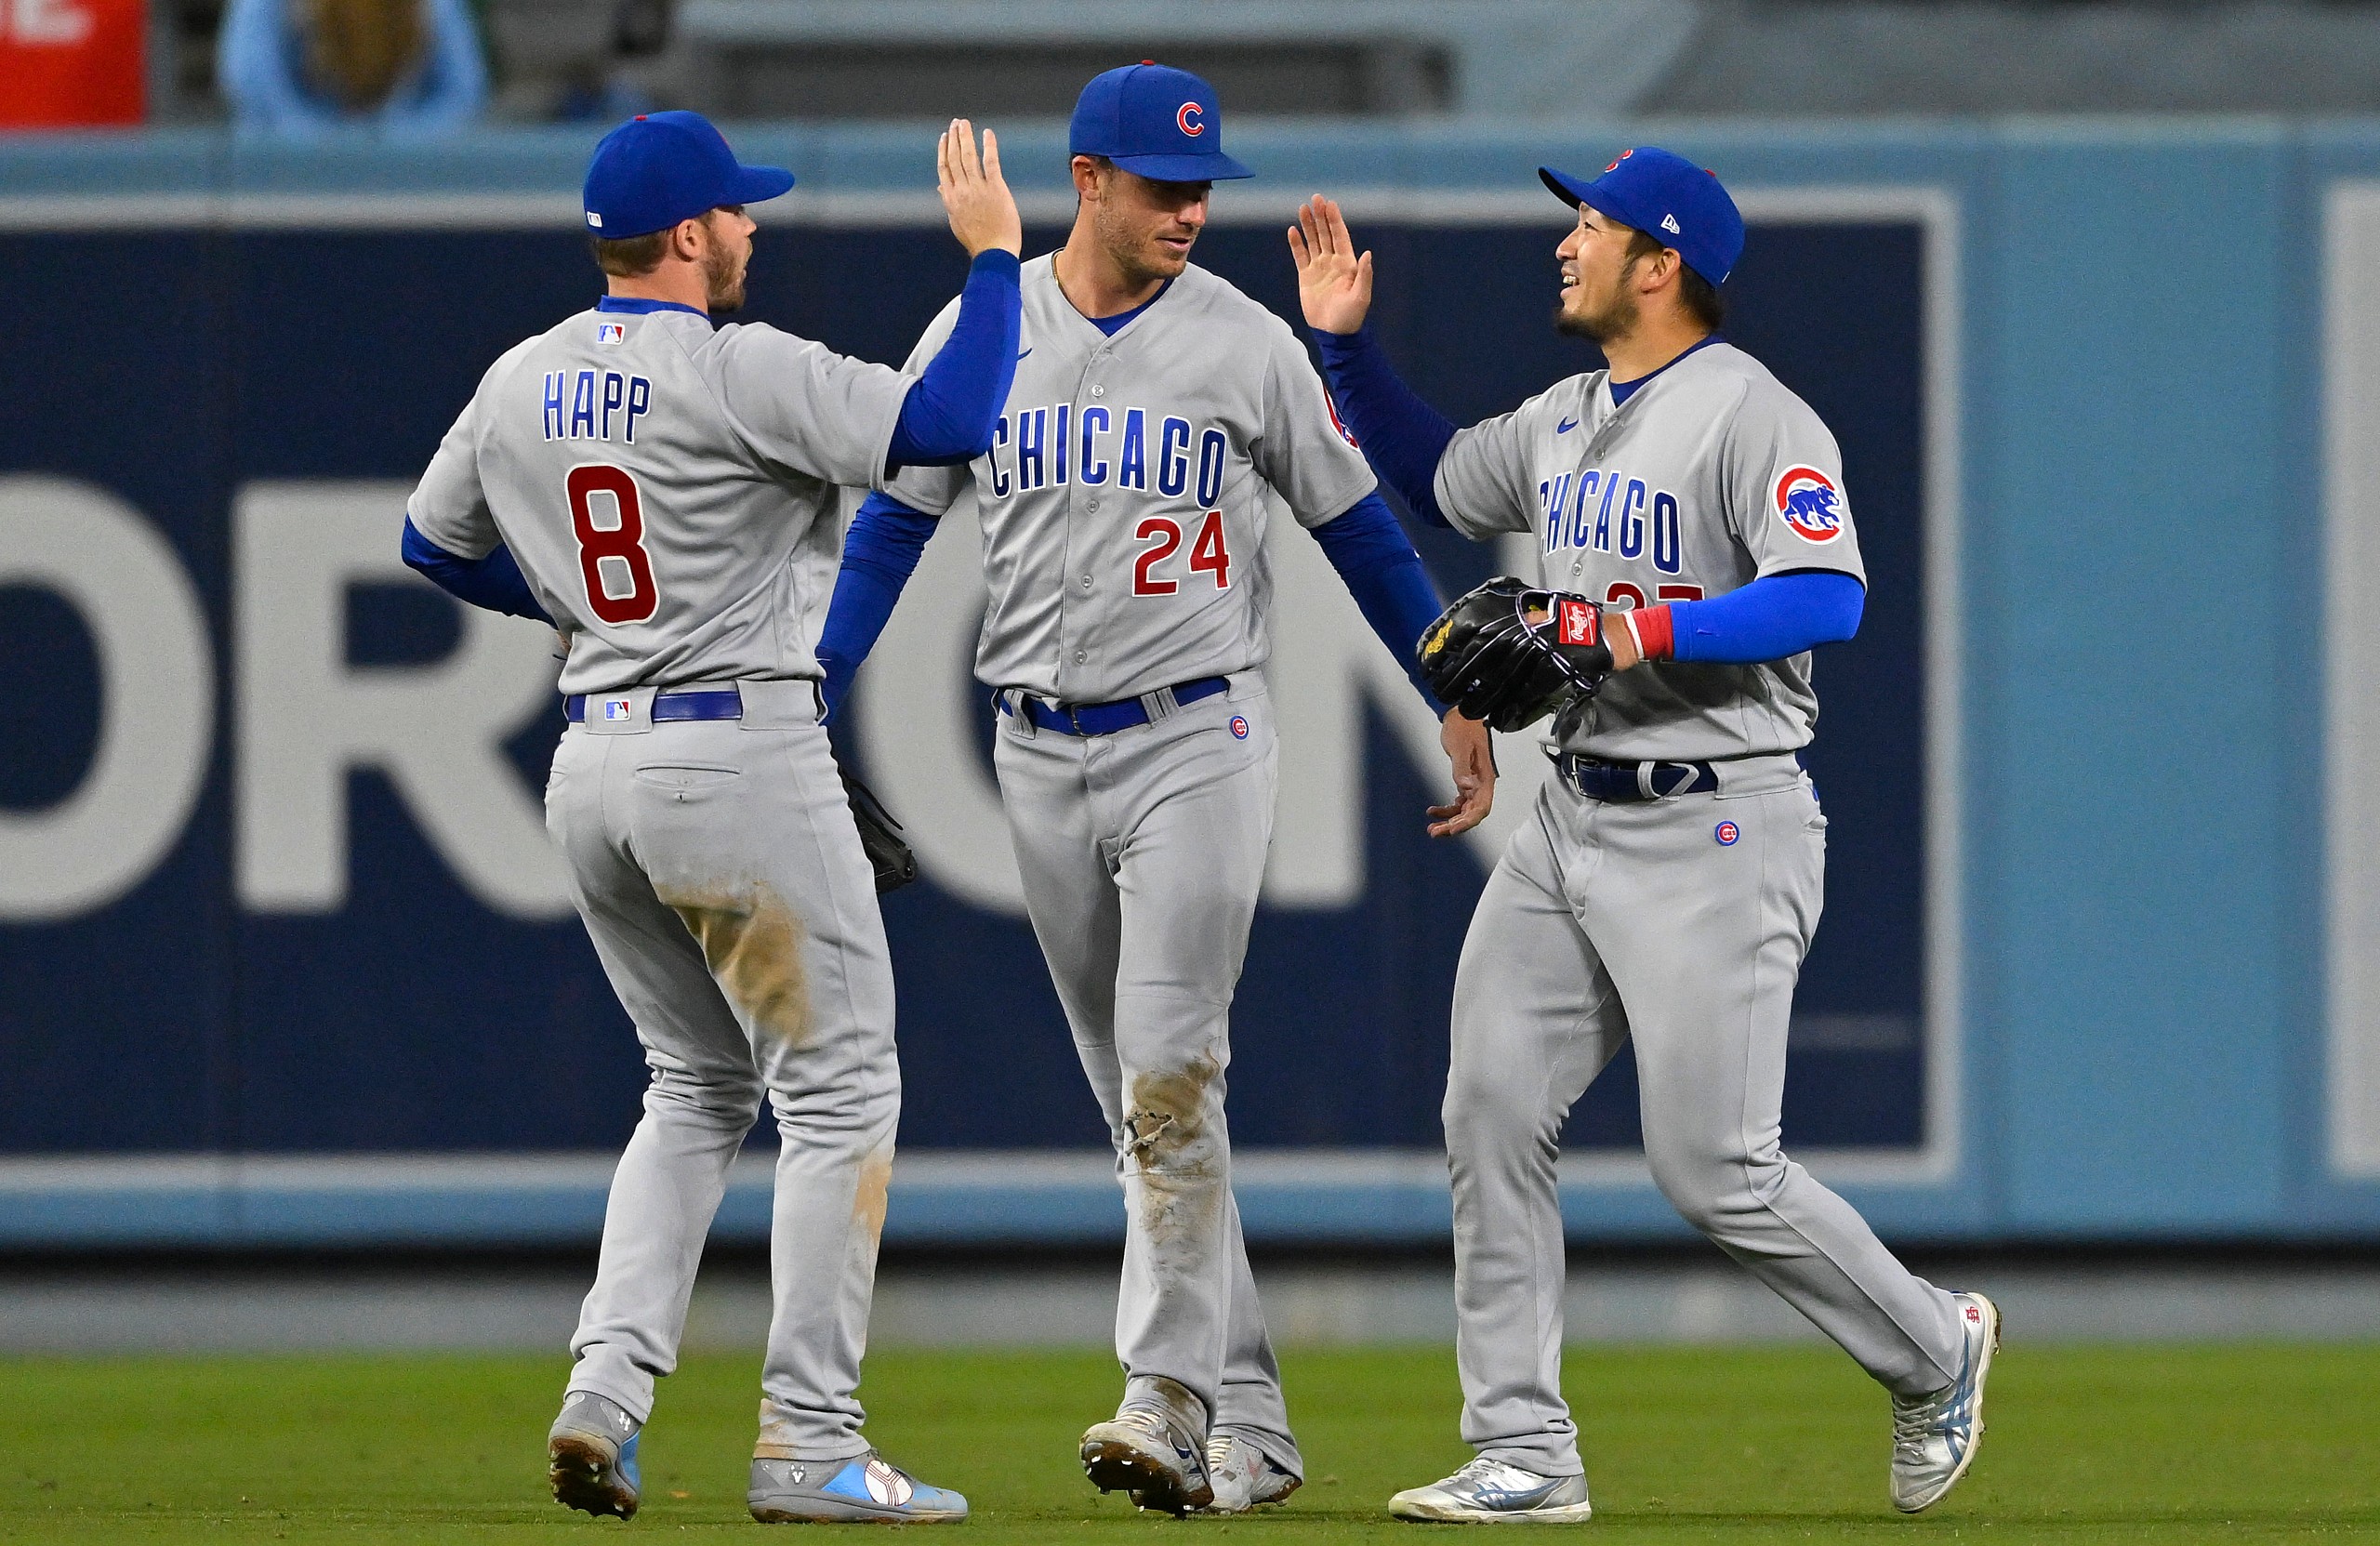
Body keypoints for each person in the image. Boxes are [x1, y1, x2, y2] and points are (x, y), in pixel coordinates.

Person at [813, 61, 1496, 1517]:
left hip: (1199, 737)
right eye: (1164, 186)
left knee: (1174, 1063)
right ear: (1086, 182)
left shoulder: (1243, 343)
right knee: (1143, 1111)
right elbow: (889, 526)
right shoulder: (985, 330)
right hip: (1036, 750)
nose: (1192, 208)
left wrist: (1450, 688)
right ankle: (1251, 1421)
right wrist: (815, 684)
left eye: (1204, 186)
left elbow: (1363, 533)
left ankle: (1163, 1395)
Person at [1287, 149, 1998, 1523]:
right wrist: (1345, 347)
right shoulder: (1567, 413)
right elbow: (1436, 476)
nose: (1568, 244)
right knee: (1488, 1106)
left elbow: (1828, 594)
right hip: (1575, 818)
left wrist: (1636, 624)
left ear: (1661, 262)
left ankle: (1934, 1347)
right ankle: (1523, 1450)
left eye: (1594, 227)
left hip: (1722, 820)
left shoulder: (1753, 414)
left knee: (1715, 1166)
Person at [400, 109, 1023, 1525]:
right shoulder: (738, 365)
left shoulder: (519, 377)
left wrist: (565, 613)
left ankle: (602, 1394)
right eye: (734, 212)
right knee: (841, 1093)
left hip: (595, 767)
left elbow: (428, 543)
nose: (749, 228)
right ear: (688, 235)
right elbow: (945, 424)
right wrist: (994, 264)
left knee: (694, 1087)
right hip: (732, 748)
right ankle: (810, 1435)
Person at [217, 0, 485, 135]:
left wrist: (390, 142)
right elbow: (251, 81)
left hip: (402, 172)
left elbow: (462, 90)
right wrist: (322, 145)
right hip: (287, 175)